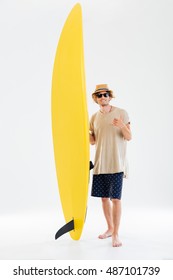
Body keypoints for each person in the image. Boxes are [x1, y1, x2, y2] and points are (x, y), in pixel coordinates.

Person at [89, 84, 132, 247]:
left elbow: (129, 137)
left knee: (116, 199)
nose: (103, 97)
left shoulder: (121, 113)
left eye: (105, 94)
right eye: (99, 95)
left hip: (116, 163)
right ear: (96, 98)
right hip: (100, 163)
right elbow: (93, 141)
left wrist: (121, 125)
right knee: (104, 199)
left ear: (110, 96)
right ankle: (109, 228)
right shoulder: (94, 118)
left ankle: (116, 234)